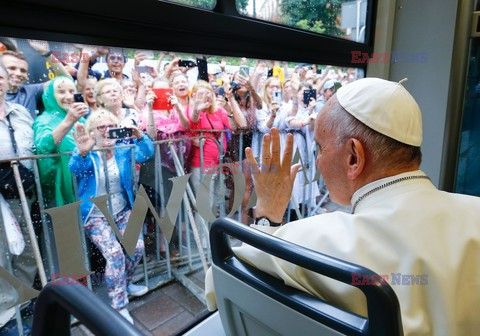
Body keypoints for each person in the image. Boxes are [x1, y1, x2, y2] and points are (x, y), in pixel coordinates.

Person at [205, 78, 480, 335]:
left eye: (321, 148)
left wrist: (267, 211)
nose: (319, 161)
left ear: (353, 158)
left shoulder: (316, 239)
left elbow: (217, 287)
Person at [69, 110, 154, 324]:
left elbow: (146, 154)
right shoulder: (87, 152)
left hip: (122, 210)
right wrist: (82, 153)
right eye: (101, 127)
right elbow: (75, 168)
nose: (107, 131)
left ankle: (124, 285)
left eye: (112, 126)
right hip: (95, 215)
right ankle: (119, 305)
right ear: (92, 132)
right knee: (115, 253)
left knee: (137, 247)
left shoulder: (123, 149)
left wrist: (139, 136)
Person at [0, 61, 37, 335]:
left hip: (24, 195)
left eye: (1, 76)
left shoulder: (22, 112)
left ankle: (23, 302)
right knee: (1, 258)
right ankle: (5, 315)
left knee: (27, 253)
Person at [33, 76, 88, 207]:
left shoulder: (80, 119)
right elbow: (44, 147)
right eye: (61, 92)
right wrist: (68, 121)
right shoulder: (43, 120)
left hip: (83, 182)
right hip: (60, 187)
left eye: (71, 91)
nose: (69, 97)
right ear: (50, 95)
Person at [1, 40, 73, 119]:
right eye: (12, 68)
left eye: (23, 71)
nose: (18, 73)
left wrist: (47, 54)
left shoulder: (31, 91)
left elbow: (66, 79)